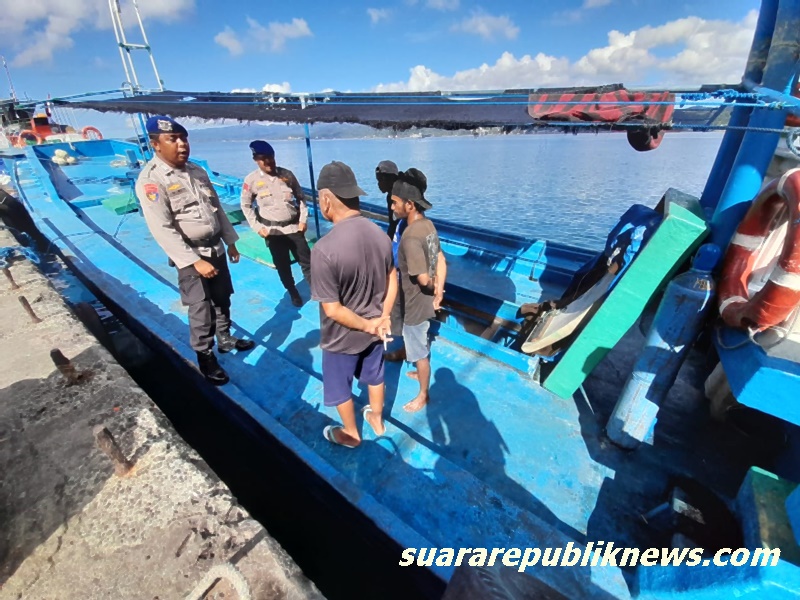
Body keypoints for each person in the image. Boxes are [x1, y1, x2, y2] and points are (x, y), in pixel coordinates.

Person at [136, 115, 254, 386]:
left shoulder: (197, 172)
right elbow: (162, 228)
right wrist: (193, 261)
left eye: (183, 138)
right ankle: (206, 356)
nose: (181, 144)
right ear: (156, 145)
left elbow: (216, 208)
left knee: (223, 297)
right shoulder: (152, 180)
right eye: (172, 139)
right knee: (200, 308)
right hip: (191, 255)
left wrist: (230, 240)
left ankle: (225, 338)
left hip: (216, 248)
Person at [311, 161, 397, 448]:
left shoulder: (324, 250)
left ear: (325, 200)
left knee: (340, 387)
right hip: (376, 330)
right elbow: (392, 276)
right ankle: (377, 419)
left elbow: (333, 310)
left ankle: (351, 433)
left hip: (342, 338)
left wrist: (368, 324)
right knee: (374, 376)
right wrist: (382, 318)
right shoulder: (381, 235)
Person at [390, 168, 447, 413]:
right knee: (415, 340)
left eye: (395, 203)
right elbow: (440, 259)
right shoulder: (428, 225)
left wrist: (431, 288)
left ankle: (423, 394)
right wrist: (439, 292)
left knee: (421, 354)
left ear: (409, 205)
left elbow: (423, 279)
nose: (392, 207)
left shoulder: (410, 237)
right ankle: (406, 353)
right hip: (423, 302)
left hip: (414, 304)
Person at [241, 140, 312, 307]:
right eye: (264, 159)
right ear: (256, 160)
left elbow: (301, 198)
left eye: (271, 158)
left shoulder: (287, 175)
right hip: (273, 232)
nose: (268, 162)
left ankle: (317, 290)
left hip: (294, 228)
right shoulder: (251, 180)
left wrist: (303, 220)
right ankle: (293, 292)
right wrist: (258, 227)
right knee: (283, 266)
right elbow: (246, 206)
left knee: (307, 262)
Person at [375, 160, 399, 238]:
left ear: (392, 178)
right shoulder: (390, 196)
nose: (378, 184)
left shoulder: (398, 198)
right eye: (378, 180)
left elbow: (395, 226)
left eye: (381, 180)